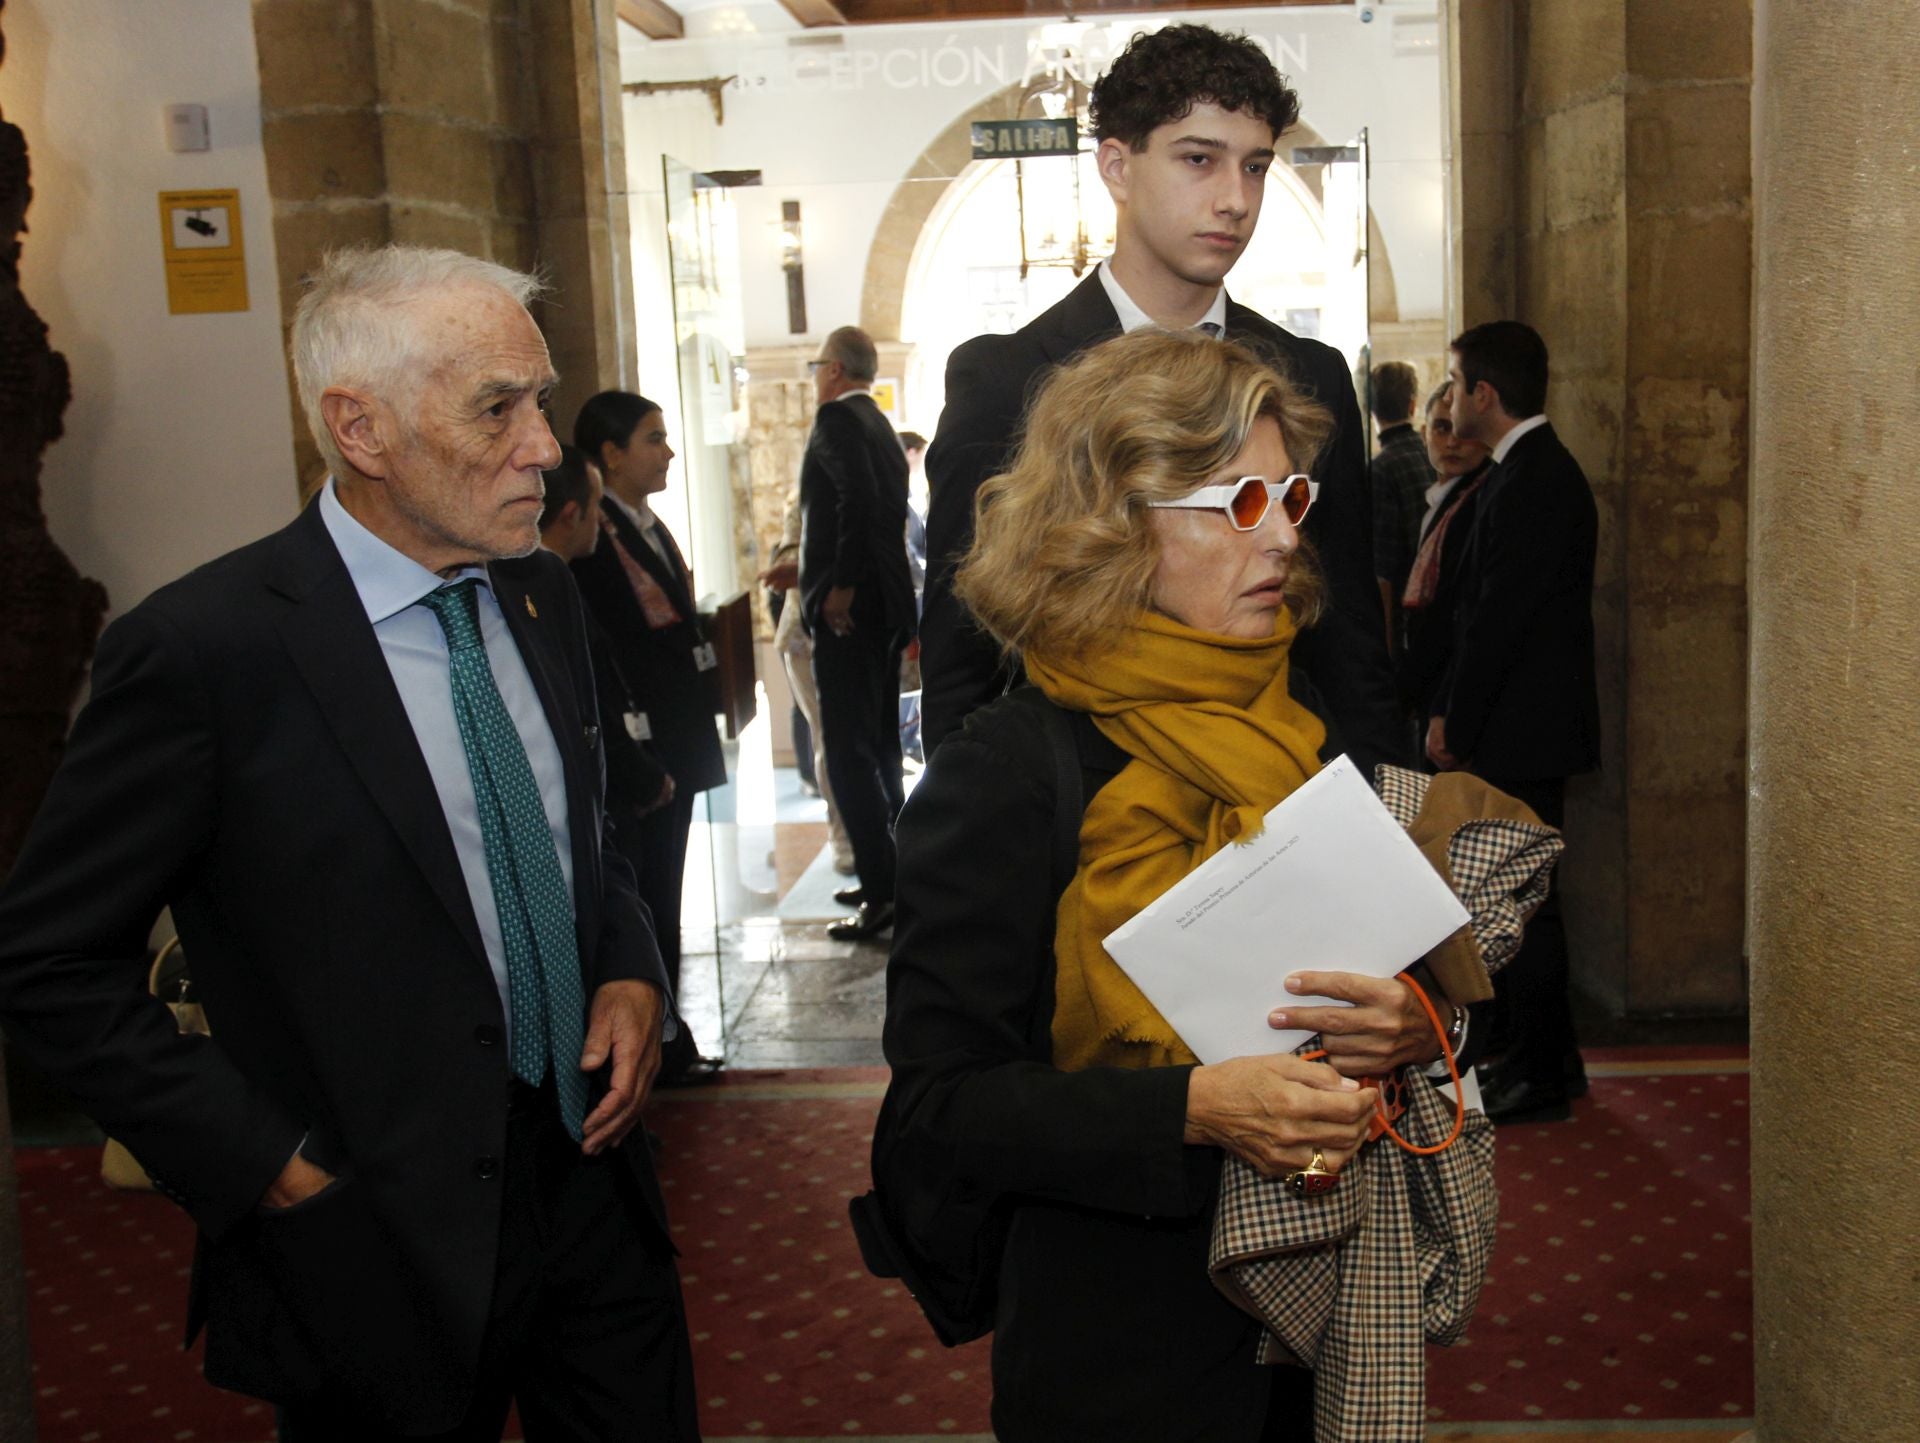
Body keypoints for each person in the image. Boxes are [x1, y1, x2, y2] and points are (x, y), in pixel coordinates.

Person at [0, 246, 699, 1439]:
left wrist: (628, 964)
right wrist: (269, 1165)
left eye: (540, 397)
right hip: (369, 1231)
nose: (544, 445)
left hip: (593, 1184)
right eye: (498, 409)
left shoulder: (540, 595)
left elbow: (583, 836)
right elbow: (48, 961)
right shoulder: (210, 653)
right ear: (359, 428)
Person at [879, 331, 1478, 1441]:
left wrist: (1415, 1024)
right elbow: (938, 1112)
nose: (1289, 534)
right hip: (1119, 1341)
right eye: (1240, 502)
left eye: (1289, 494)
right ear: (1112, 523)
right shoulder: (1007, 768)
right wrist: (1194, 1112)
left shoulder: (1305, 730)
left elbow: (1395, 996)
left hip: (1324, 1328)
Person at [919, 22, 1403, 781]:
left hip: (1278, 788)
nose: (1236, 199)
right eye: (1199, 160)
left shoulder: (1308, 375)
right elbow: (963, 659)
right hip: (1083, 814)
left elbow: (1346, 642)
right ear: (1117, 165)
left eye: (1255, 167)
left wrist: (1380, 820)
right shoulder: (1006, 379)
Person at [1430, 320, 1599, 1124]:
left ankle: (1539, 1069)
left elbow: (1496, 622)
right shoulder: (1523, 470)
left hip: (1519, 729)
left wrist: (1453, 723)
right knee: (1523, 900)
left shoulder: (1535, 477)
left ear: (1486, 395)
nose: (1451, 400)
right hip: (1520, 724)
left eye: (1458, 385)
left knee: (1522, 905)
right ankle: (1544, 1059)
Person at [571, 390, 727, 1084]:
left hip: (675, 733)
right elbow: (615, 651)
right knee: (646, 895)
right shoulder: (592, 535)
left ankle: (666, 1034)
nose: (667, 451)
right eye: (653, 439)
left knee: (668, 888)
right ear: (610, 454)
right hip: (644, 742)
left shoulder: (641, 519)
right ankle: (654, 1039)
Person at [799, 326, 916, 942]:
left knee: (847, 755)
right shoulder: (881, 426)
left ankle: (882, 893)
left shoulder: (836, 421)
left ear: (836, 370)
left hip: (853, 610)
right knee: (881, 750)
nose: (816, 376)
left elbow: (857, 501)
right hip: (888, 605)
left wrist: (839, 584)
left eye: (818, 365)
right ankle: (894, 876)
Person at [760, 477, 858, 876]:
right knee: (828, 739)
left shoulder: (873, 490)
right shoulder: (804, 494)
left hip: (861, 634)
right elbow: (787, 555)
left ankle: (873, 831)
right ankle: (843, 837)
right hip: (807, 635)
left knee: (862, 743)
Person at [1396, 382, 1492, 738]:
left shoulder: (1478, 502)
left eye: (1461, 431)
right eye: (1441, 428)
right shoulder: (1442, 500)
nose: (1452, 442)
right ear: (1424, 433)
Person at [1367, 358, 1437, 640]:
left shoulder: (1381, 468)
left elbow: (1383, 572)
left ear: (1370, 408)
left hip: (1402, 617)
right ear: (1412, 405)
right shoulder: (1430, 454)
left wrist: (1384, 646)